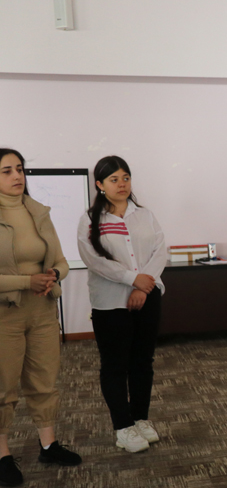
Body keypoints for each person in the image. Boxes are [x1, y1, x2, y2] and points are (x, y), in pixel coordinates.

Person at [0, 148, 82, 487]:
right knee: (4, 387)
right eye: (6, 171)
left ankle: (48, 445)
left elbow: (61, 260)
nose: (17, 176)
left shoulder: (38, 211)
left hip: (43, 309)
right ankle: (2, 455)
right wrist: (26, 281)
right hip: (5, 314)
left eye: (20, 169)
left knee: (44, 381)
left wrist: (54, 274)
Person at [77, 156, 167, 454]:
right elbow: (95, 260)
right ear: (100, 185)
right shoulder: (90, 220)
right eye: (114, 179)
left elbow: (160, 251)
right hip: (110, 303)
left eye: (126, 178)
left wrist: (143, 285)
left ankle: (140, 418)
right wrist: (132, 279)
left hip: (147, 297)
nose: (122, 184)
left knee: (142, 362)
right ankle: (123, 426)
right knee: (115, 365)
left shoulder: (145, 215)